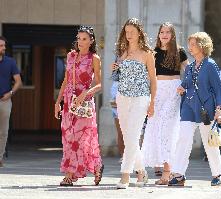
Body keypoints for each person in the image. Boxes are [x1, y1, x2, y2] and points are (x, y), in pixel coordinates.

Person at [168, 32, 221, 186]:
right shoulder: (190, 66)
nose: (190, 48)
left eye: (193, 44)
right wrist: (182, 87)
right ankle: (179, 174)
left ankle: (218, 174)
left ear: (202, 46)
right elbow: (187, 83)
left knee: (209, 142)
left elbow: (219, 89)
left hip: (206, 108)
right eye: (190, 44)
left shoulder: (210, 65)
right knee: (183, 138)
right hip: (188, 106)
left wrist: (218, 109)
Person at [54, 26, 104, 186]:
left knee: (81, 139)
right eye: (79, 38)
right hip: (69, 102)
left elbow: (99, 85)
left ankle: (71, 174)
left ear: (91, 41)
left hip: (84, 102)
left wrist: (85, 93)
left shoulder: (94, 58)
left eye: (84, 39)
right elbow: (65, 81)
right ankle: (95, 166)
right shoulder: (70, 56)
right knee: (69, 138)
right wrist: (58, 102)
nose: (80, 42)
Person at [111, 18, 157, 189]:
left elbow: (153, 80)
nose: (128, 35)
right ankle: (142, 171)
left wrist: (152, 103)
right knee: (128, 137)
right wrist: (115, 67)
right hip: (122, 97)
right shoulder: (122, 51)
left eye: (132, 32)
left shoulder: (147, 54)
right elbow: (119, 76)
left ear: (139, 33)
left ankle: (125, 175)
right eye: (126, 32)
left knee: (133, 136)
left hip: (141, 98)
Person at [141, 22, 188, 185]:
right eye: (162, 32)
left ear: (173, 35)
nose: (165, 34)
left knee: (167, 129)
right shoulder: (152, 53)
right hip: (157, 90)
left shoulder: (179, 52)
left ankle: (167, 172)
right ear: (158, 34)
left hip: (174, 90)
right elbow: (147, 76)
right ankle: (164, 169)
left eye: (168, 32)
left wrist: (184, 85)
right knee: (155, 127)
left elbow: (188, 72)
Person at [0, 36, 22, 167]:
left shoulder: (10, 62)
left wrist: (11, 93)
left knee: (3, 132)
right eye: (1, 46)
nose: (4, 48)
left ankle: (0, 157)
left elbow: (18, 81)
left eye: (4, 46)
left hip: (5, 101)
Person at [110, 80, 124, 158]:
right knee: (121, 132)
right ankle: (123, 157)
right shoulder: (116, 83)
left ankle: (132, 158)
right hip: (118, 87)